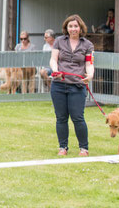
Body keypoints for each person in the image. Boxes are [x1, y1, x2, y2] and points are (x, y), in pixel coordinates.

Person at [49, 14, 94, 157]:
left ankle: (84, 148)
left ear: (80, 28)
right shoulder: (58, 41)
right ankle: (63, 147)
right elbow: (53, 59)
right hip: (59, 85)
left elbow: (89, 63)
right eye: (70, 26)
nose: (73, 29)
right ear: (66, 28)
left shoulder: (87, 45)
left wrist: (90, 75)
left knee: (78, 117)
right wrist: (55, 71)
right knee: (61, 118)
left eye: (76, 26)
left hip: (77, 86)